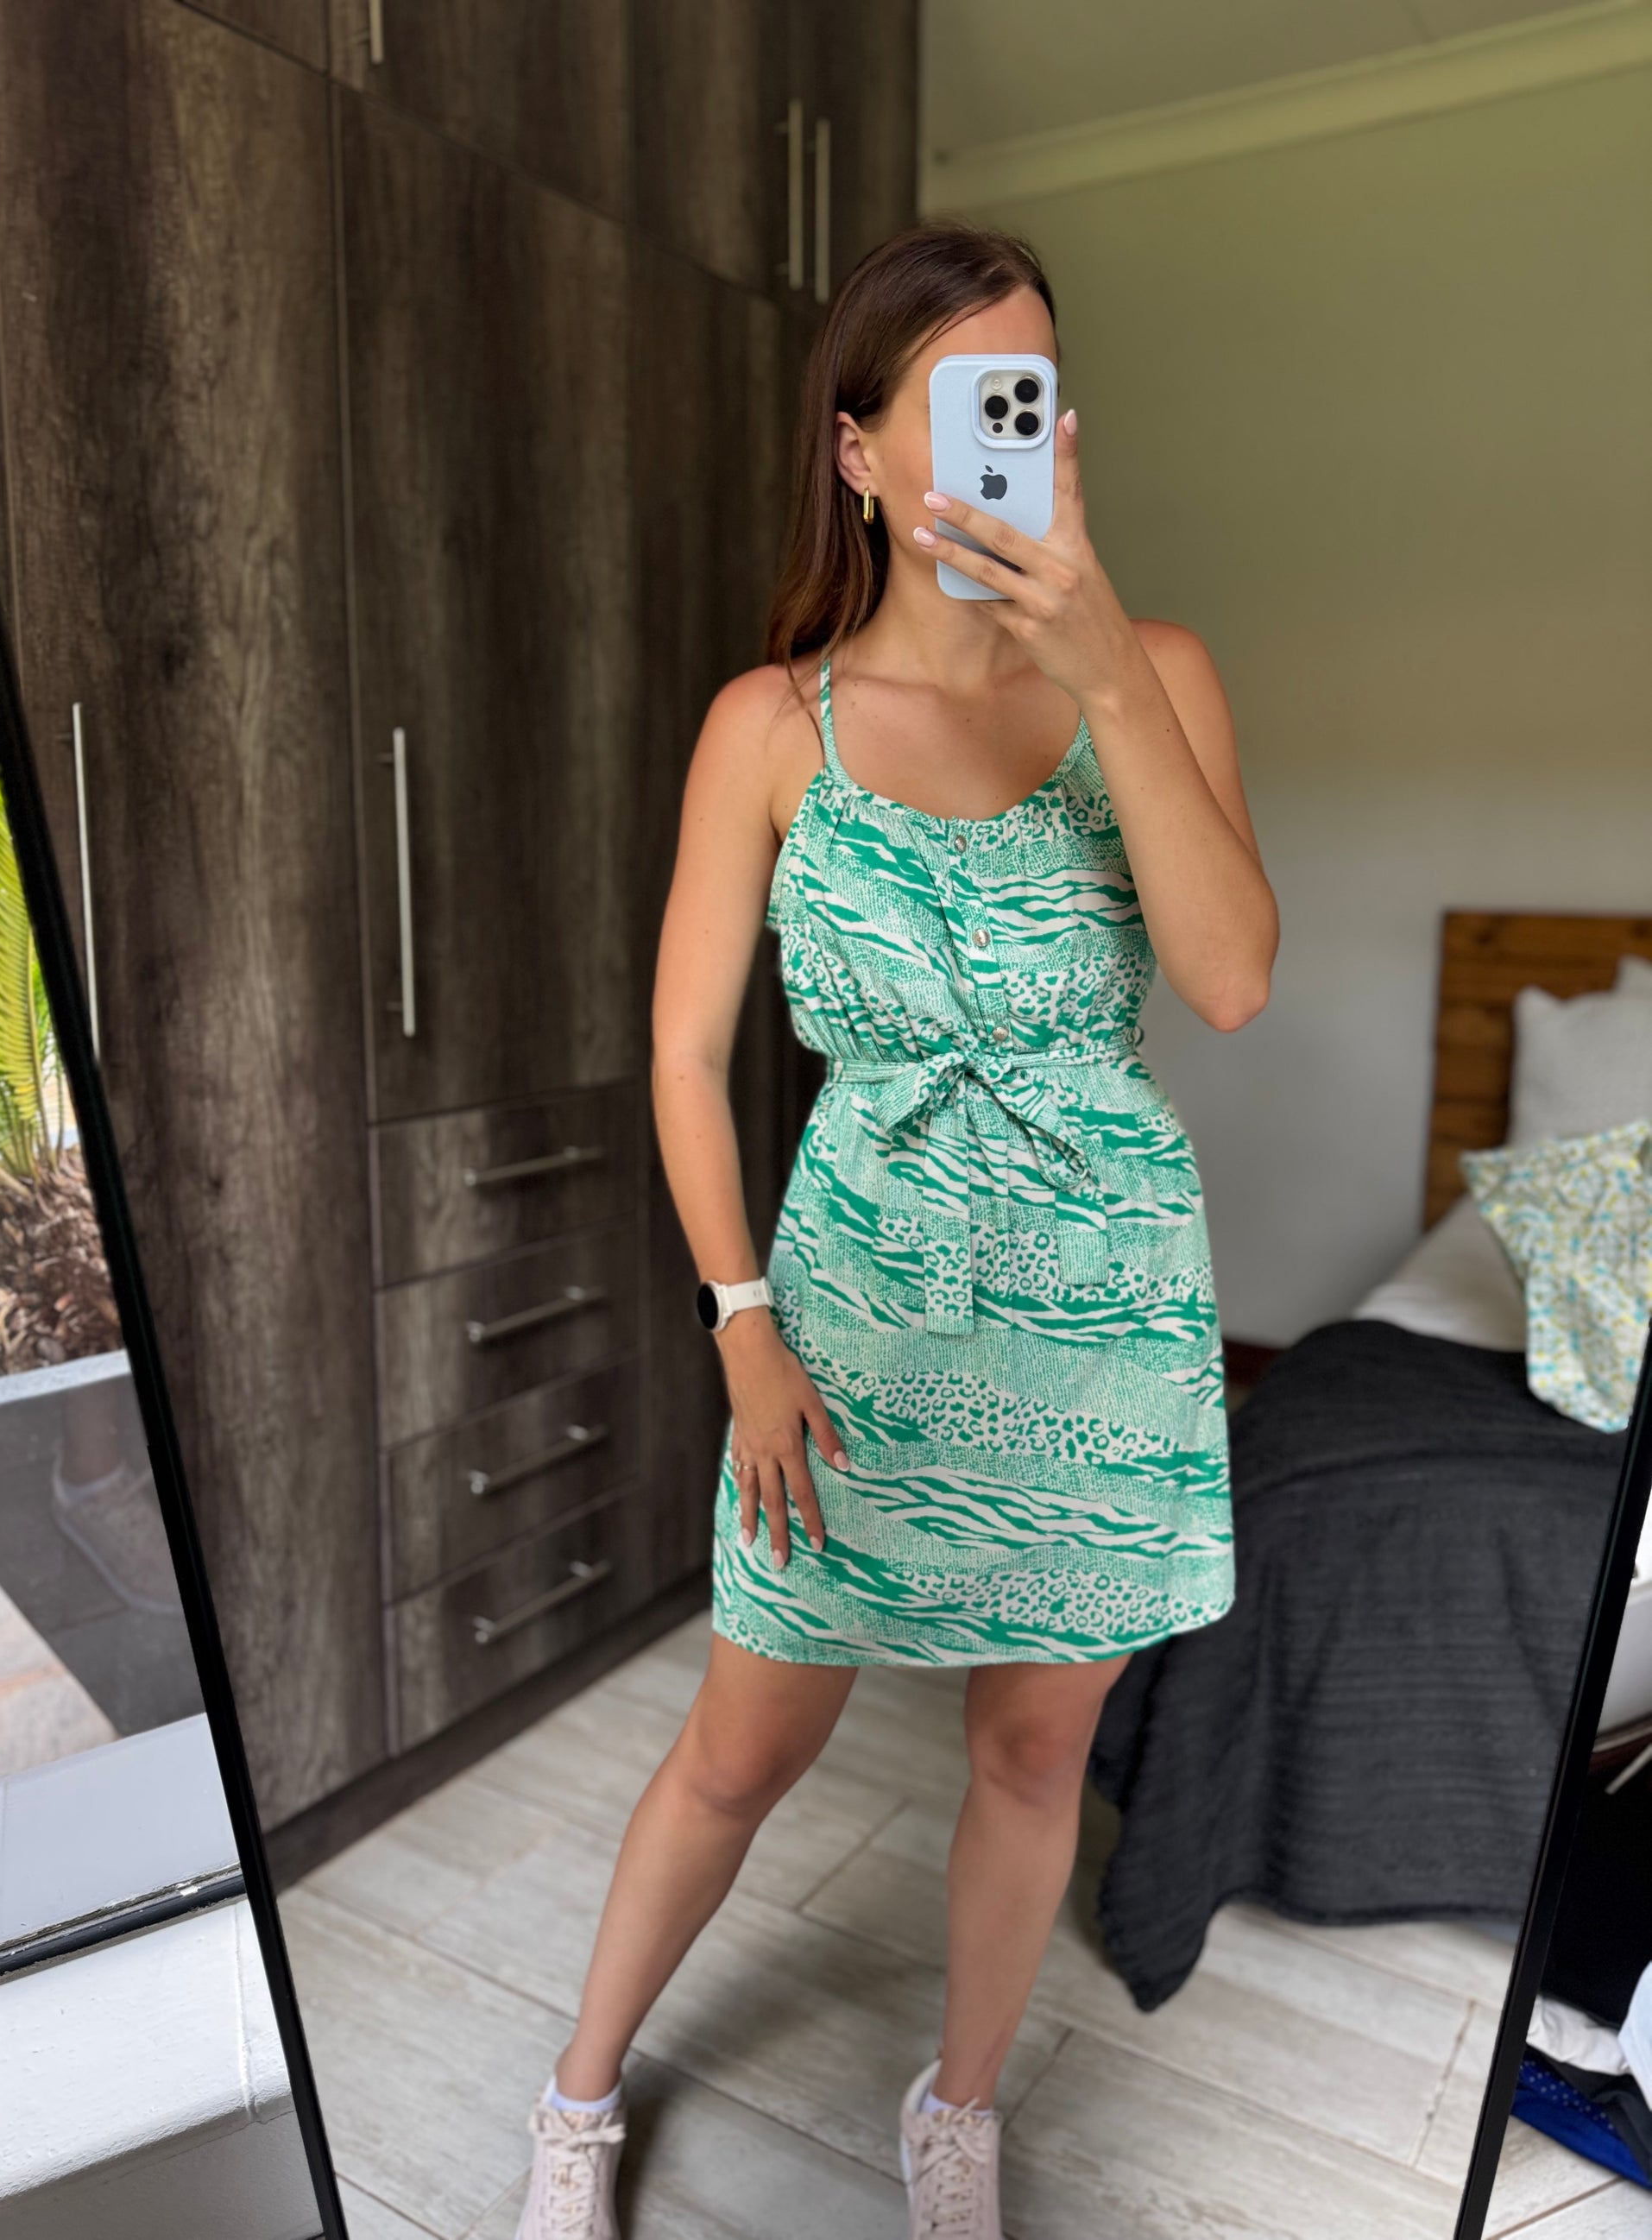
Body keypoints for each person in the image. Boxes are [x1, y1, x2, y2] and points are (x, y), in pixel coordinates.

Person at [515, 218, 1277, 2240]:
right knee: (741, 1740)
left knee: (1032, 1748)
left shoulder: (1157, 673)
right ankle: (576, 2098)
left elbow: (1227, 981)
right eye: (957, 402)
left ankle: (959, 2111)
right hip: (850, 1317)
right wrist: (740, 1325)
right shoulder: (770, 727)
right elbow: (685, 1056)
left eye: (1029, 394)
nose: (1005, 434)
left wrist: (1100, 669)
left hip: (1100, 1310)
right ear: (858, 452)